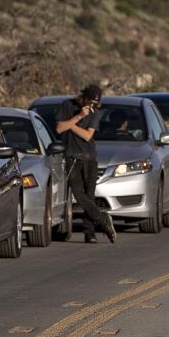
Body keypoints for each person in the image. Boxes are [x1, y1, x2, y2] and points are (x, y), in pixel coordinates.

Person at [57, 84, 116, 244]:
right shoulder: (67, 106)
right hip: (71, 156)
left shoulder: (95, 112)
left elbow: (87, 136)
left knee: (89, 195)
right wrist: (78, 117)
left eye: (95, 103)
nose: (91, 106)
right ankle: (102, 218)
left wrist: (71, 125)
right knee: (78, 193)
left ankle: (89, 233)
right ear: (83, 97)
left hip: (90, 157)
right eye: (89, 102)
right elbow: (60, 128)